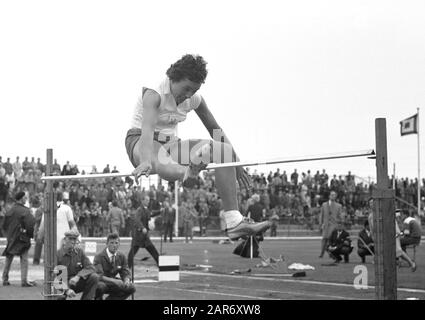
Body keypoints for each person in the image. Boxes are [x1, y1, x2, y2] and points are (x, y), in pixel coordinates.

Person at [125, 54, 271, 241]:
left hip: (170, 144)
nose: (188, 95)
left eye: (193, 91)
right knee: (160, 157)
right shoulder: (154, 95)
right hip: (141, 142)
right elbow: (147, 132)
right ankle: (186, 171)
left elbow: (216, 131)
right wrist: (145, 161)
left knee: (221, 149)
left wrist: (236, 164)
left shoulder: (194, 99)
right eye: (186, 88)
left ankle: (234, 222)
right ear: (173, 79)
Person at [2, 191, 36, 287]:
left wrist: (8, 235)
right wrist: (30, 235)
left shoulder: (10, 210)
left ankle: (5, 279)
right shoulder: (25, 211)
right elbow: (30, 225)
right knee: (24, 259)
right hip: (22, 238)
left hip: (12, 238)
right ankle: (24, 280)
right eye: (25, 197)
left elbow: (4, 226)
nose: (26, 199)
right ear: (21, 199)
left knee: (9, 258)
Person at [56, 230, 99, 300]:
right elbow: (55, 277)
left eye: (74, 239)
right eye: (70, 239)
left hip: (76, 282)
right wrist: (67, 290)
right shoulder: (57, 255)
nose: (73, 241)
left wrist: (78, 276)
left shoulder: (79, 251)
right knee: (59, 297)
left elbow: (91, 267)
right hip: (62, 283)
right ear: (64, 240)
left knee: (94, 277)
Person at [93, 233, 135, 300]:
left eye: (116, 243)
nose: (114, 245)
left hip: (114, 284)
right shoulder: (99, 256)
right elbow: (99, 276)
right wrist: (115, 281)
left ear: (119, 244)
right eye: (112, 243)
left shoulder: (122, 256)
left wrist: (127, 280)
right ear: (107, 244)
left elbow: (125, 272)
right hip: (102, 282)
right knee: (100, 287)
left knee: (131, 287)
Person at [127, 195, 160, 268]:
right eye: (146, 200)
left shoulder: (147, 210)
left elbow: (151, 215)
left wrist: (160, 211)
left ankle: (161, 266)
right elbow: (137, 220)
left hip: (145, 237)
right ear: (142, 201)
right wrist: (142, 228)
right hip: (138, 236)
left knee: (153, 251)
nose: (148, 202)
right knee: (132, 253)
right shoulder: (139, 210)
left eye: (148, 200)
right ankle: (127, 268)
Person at [319, 191, 342, 258]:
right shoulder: (324, 205)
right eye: (332, 195)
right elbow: (321, 215)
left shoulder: (339, 206)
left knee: (330, 240)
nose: (333, 196)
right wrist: (321, 224)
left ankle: (331, 253)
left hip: (333, 225)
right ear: (329, 196)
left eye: (334, 195)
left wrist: (337, 222)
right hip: (325, 225)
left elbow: (340, 216)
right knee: (324, 239)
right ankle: (322, 253)